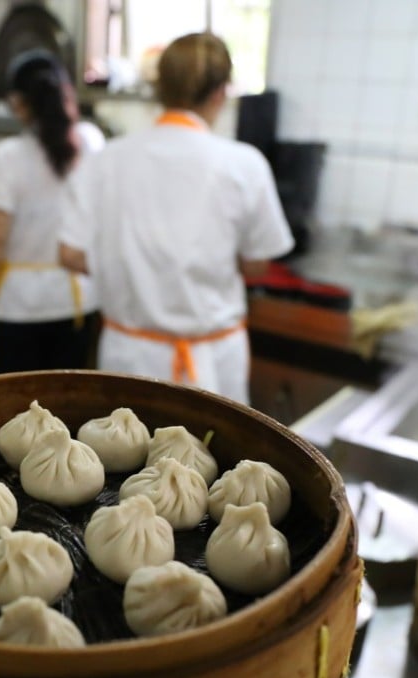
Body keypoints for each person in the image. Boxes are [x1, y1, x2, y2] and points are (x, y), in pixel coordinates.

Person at [58, 32, 293, 404]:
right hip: (212, 361)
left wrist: (131, 265)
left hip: (129, 355)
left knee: (124, 458)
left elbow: (69, 254)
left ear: (159, 87)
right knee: (215, 458)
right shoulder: (243, 164)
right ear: (220, 93)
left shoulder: (106, 160)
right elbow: (256, 266)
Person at [0, 50, 105, 373]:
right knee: (71, 404)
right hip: (78, 301)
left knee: (18, 405)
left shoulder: (8, 157)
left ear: (19, 103)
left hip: (19, 306)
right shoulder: (91, 142)